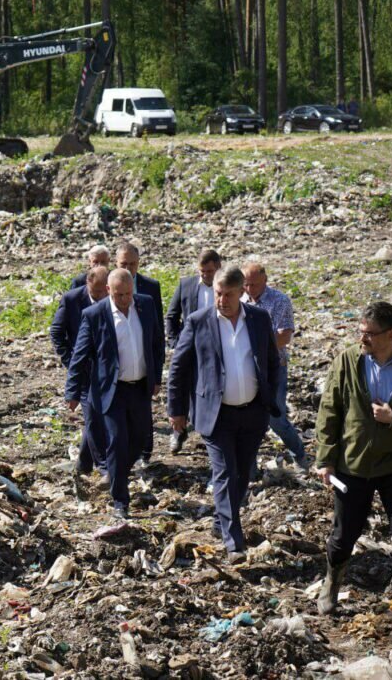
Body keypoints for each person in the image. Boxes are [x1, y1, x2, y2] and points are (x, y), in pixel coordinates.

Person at [315, 302, 392, 628]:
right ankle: (331, 585)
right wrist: (325, 460)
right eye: (361, 332)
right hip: (352, 465)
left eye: (369, 334)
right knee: (344, 534)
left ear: (391, 334)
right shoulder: (348, 361)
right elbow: (329, 410)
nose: (363, 338)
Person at [168, 267, 280, 564]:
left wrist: (272, 399)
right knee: (225, 473)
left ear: (242, 291)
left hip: (253, 412)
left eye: (228, 294)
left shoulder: (258, 319)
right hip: (216, 415)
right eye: (218, 293)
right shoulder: (198, 322)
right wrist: (176, 410)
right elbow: (178, 367)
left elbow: (271, 360)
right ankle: (234, 544)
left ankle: (221, 521)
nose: (222, 300)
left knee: (243, 474)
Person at [65, 269, 163, 519]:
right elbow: (80, 354)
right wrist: (73, 391)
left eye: (128, 294)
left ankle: (117, 474)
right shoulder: (95, 315)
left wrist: (156, 377)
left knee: (140, 440)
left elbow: (156, 342)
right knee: (117, 441)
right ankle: (120, 500)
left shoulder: (146, 305)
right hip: (111, 389)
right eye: (119, 295)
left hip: (140, 386)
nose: (124, 299)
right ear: (108, 291)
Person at [242, 263, 309, 471]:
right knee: (246, 418)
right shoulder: (240, 301)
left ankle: (299, 454)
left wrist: (254, 347)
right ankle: (249, 469)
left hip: (273, 369)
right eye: (246, 284)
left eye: (254, 284)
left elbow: (283, 337)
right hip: (246, 368)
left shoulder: (278, 301)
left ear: (265, 281)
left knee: (275, 417)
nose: (250, 289)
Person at [51, 267, 109, 480]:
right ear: (87, 285)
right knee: (93, 418)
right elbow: (57, 332)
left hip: (107, 371)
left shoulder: (115, 302)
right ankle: (103, 467)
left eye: (104, 292)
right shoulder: (72, 299)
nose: (101, 296)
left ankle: (84, 464)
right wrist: (71, 360)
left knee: (98, 417)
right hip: (83, 370)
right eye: (96, 292)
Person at [165, 248, 223, 453]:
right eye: (202, 272)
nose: (206, 275)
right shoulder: (187, 285)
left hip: (217, 348)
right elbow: (172, 316)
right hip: (190, 347)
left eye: (209, 271)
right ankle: (178, 432)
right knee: (182, 386)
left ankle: (211, 432)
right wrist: (176, 343)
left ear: (218, 267)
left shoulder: (225, 287)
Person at [115, 242, 164, 467]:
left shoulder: (150, 288)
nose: (128, 268)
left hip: (143, 365)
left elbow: (158, 334)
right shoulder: (109, 285)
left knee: (143, 414)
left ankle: (145, 453)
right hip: (118, 368)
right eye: (124, 263)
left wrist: (157, 374)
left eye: (132, 264)